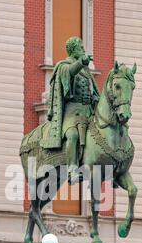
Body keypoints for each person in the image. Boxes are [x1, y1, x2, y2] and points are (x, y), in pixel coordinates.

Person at [42, 37, 100, 184]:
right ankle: (72, 170)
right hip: (71, 112)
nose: (83, 49)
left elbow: (93, 90)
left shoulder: (86, 71)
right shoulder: (63, 66)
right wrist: (81, 63)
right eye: (80, 47)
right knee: (72, 135)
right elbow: (70, 72)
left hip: (88, 112)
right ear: (73, 49)